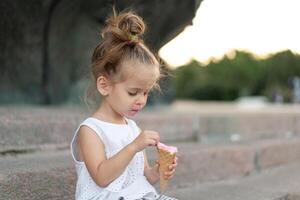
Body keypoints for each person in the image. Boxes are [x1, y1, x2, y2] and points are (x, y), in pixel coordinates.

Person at [70, 9, 178, 200]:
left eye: (145, 93)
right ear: (104, 86)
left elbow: (143, 176)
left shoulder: (132, 128)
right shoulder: (91, 130)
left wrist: (159, 170)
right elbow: (101, 177)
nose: (141, 100)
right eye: (132, 92)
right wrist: (133, 146)